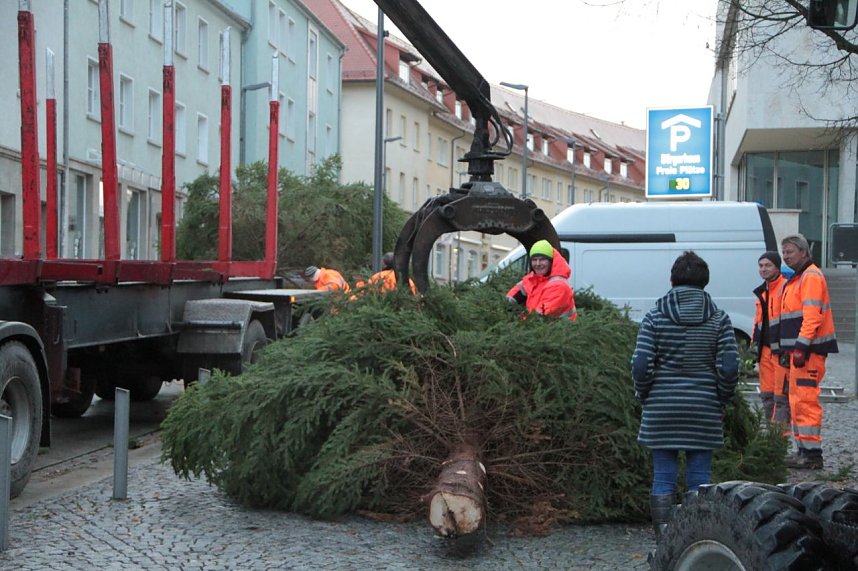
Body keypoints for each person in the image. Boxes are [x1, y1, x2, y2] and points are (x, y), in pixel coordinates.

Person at [631, 251, 739, 541]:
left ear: (672, 279)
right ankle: (694, 539)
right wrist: (723, 399)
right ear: (705, 282)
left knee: (663, 475)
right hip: (704, 407)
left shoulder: (654, 316)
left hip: (661, 407)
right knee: (700, 480)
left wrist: (645, 396)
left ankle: (664, 541)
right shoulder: (719, 319)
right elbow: (729, 366)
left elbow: (641, 364)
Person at [777, 233, 838, 469]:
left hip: (808, 352)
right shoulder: (799, 278)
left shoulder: (810, 277)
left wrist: (801, 346)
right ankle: (803, 450)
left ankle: (812, 455)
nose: (786, 256)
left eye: (790, 252)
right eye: (784, 252)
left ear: (803, 252)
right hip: (801, 351)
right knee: (798, 401)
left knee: (805, 401)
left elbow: (812, 317)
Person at [752, 251, 788, 426]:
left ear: (777, 267)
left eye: (767, 265)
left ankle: (779, 440)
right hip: (765, 350)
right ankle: (771, 434)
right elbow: (758, 322)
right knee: (767, 395)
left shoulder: (785, 288)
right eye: (761, 266)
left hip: (780, 350)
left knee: (781, 396)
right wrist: (754, 348)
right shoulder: (763, 292)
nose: (763, 269)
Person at [506, 239, 576, 320]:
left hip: (556, 331)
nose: (538, 264)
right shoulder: (535, 279)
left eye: (542, 259)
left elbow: (539, 318)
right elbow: (510, 298)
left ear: (551, 262)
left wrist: (519, 320)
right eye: (534, 260)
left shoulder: (559, 286)